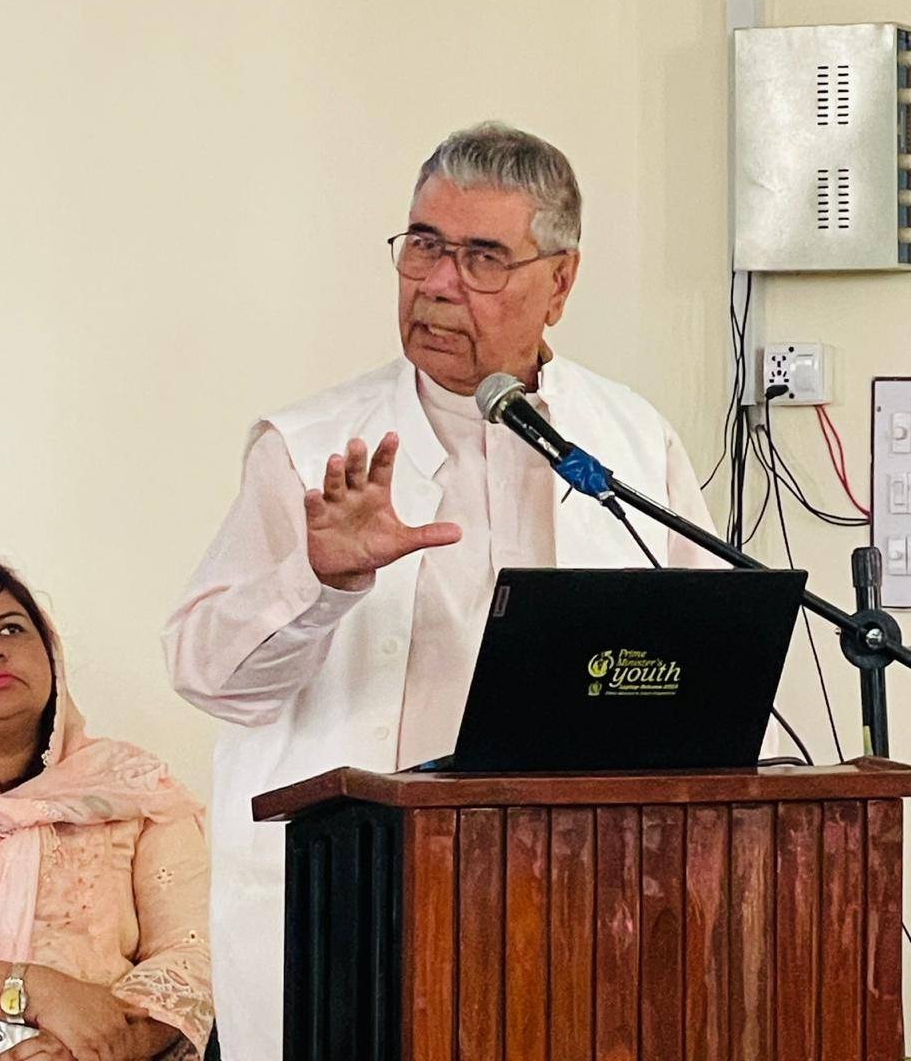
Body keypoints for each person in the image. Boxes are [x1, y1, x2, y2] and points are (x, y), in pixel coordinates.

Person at [163, 121, 718, 1060]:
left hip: (585, 903)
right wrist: (319, 579)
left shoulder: (628, 441)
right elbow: (207, 675)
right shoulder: (312, 448)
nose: (437, 282)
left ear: (561, 282)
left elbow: (703, 669)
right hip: (366, 908)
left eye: (483, 257)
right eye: (423, 245)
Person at [0, 555, 213, 1061]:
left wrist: (87, 1047)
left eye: (11, 628)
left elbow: (192, 951)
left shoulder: (136, 791)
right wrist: (31, 990)